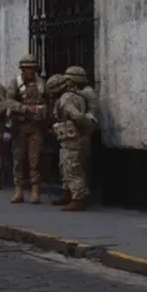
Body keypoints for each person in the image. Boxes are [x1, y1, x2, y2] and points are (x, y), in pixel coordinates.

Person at [47, 73, 96, 211]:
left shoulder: (66, 99)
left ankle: (78, 199)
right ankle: (68, 193)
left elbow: (76, 115)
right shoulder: (71, 96)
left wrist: (86, 127)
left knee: (73, 167)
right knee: (65, 166)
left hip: (73, 139)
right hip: (68, 139)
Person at [6, 54, 48, 204]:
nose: (31, 71)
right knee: (18, 158)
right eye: (28, 68)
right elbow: (8, 101)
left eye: (33, 68)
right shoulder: (15, 83)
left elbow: (49, 100)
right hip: (20, 126)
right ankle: (18, 189)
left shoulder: (42, 83)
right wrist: (24, 108)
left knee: (35, 159)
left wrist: (43, 111)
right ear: (22, 69)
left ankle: (35, 190)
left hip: (36, 126)